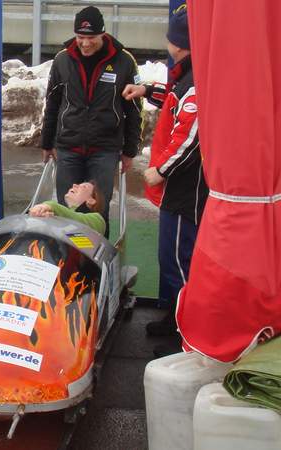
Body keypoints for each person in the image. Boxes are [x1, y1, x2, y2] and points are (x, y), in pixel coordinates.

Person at [122, 6, 205, 356]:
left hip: (185, 193)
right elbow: (175, 100)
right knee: (170, 258)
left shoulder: (197, 78)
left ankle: (186, 339)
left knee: (179, 262)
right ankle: (174, 318)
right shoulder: (186, 74)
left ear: (179, 43)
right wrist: (146, 91)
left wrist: (161, 170)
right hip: (179, 191)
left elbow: (191, 134)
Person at [40, 5, 143, 236]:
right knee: (67, 210)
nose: (85, 43)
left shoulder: (124, 61)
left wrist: (129, 150)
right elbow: (52, 104)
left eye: (91, 38)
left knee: (97, 211)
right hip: (68, 147)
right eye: (80, 37)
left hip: (105, 149)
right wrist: (47, 143)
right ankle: (68, 265)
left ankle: (99, 265)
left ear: (103, 34)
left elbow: (134, 109)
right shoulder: (62, 59)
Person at [29, 181, 106, 235]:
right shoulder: (56, 214)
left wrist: (51, 206)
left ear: (91, 200)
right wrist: (41, 214)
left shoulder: (98, 221)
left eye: (83, 187)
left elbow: (79, 221)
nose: (74, 185)